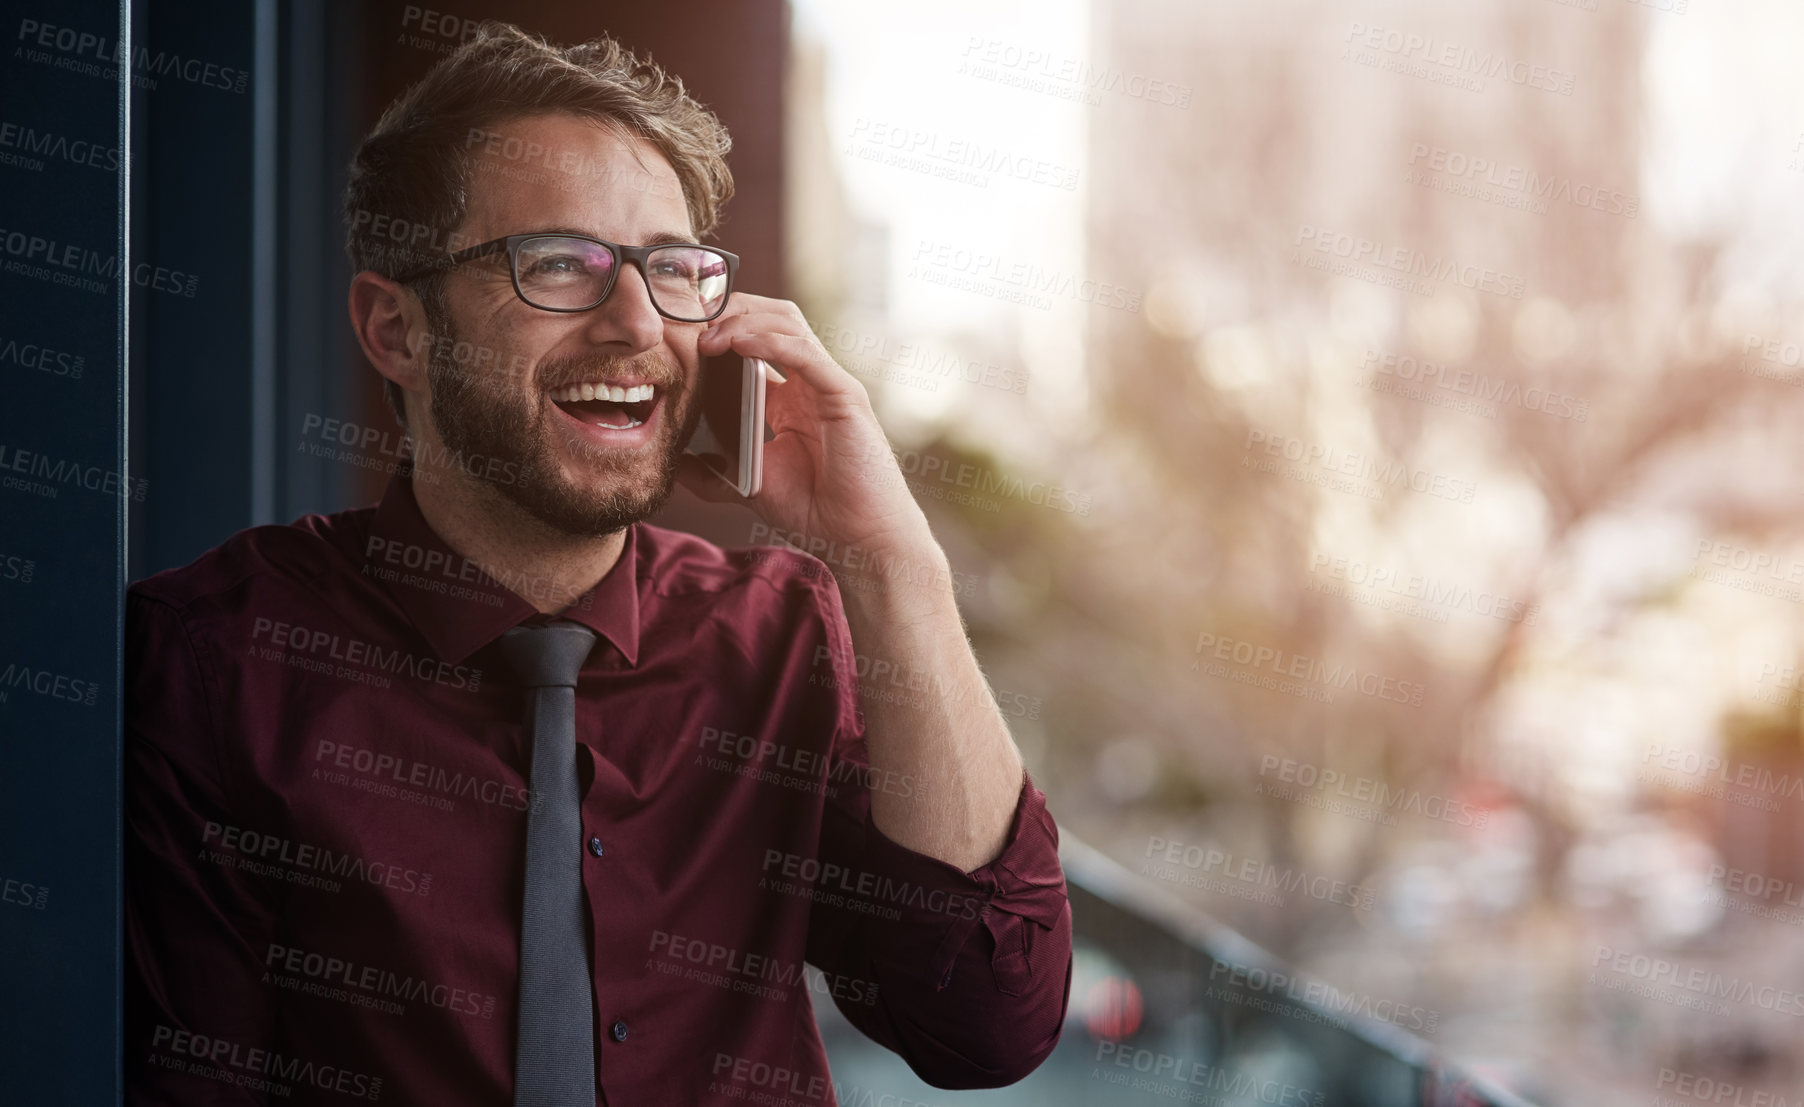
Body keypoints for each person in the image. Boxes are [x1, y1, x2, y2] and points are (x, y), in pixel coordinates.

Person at [125, 22, 1072, 1105]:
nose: (635, 324)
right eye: (560, 266)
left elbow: (990, 1026)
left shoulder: (782, 636)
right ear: (395, 329)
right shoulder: (215, 663)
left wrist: (890, 559)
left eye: (672, 271)